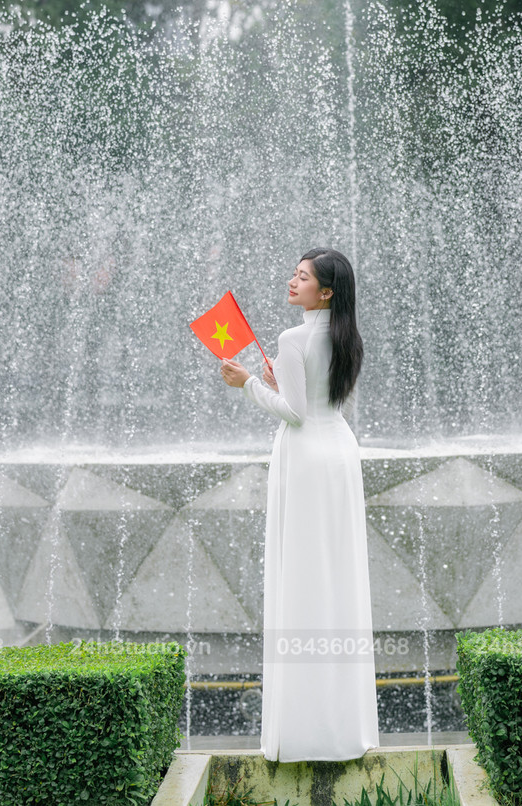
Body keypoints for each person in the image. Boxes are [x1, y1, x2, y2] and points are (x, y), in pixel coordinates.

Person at [219, 247, 380, 762]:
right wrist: (277, 381)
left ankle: (303, 729)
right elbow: (317, 401)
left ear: (325, 291)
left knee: (304, 576)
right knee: (337, 574)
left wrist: (247, 383)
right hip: (340, 452)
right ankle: (343, 725)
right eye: (294, 273)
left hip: (306, 458)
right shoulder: (347, 336)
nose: (292, 281)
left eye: (303, 277)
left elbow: (294, 413)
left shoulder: (293, 338)